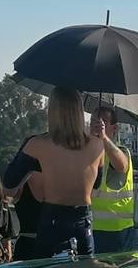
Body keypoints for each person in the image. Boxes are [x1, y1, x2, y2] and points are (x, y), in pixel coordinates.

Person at [6, 88, 105, 258]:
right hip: (84, 221)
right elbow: (95, 189)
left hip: (52, 220)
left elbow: (9, 186)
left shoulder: (37, 144)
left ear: (52, 111)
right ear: (80, 112)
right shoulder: (97, 145)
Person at [90, 105, 138, 254]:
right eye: (93, 122)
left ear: (114, 128)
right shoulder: (88, 154)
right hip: (93, 230)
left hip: (119, 232)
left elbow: (121, 166)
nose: (96, 126)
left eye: (103, 122)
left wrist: (103, 137)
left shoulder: (121, 152)